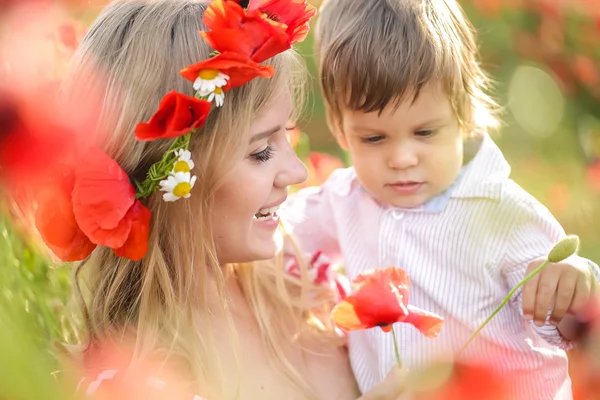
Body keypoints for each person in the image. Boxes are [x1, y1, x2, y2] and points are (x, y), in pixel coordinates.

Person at [29, 1, 406, 399]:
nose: (297, 172)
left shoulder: (311, 286)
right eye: (261, 151)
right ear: (172, 179)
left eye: (288, 134)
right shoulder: (138, 383)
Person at [279, 0, 600, 398]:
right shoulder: (343, 199)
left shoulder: (501, 213)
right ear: (340, 128)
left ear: (463, 112)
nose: (401, 159)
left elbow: (568, 324)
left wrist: (575, 285)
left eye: (425, 133)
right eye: (374, 138)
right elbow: (277, 241)